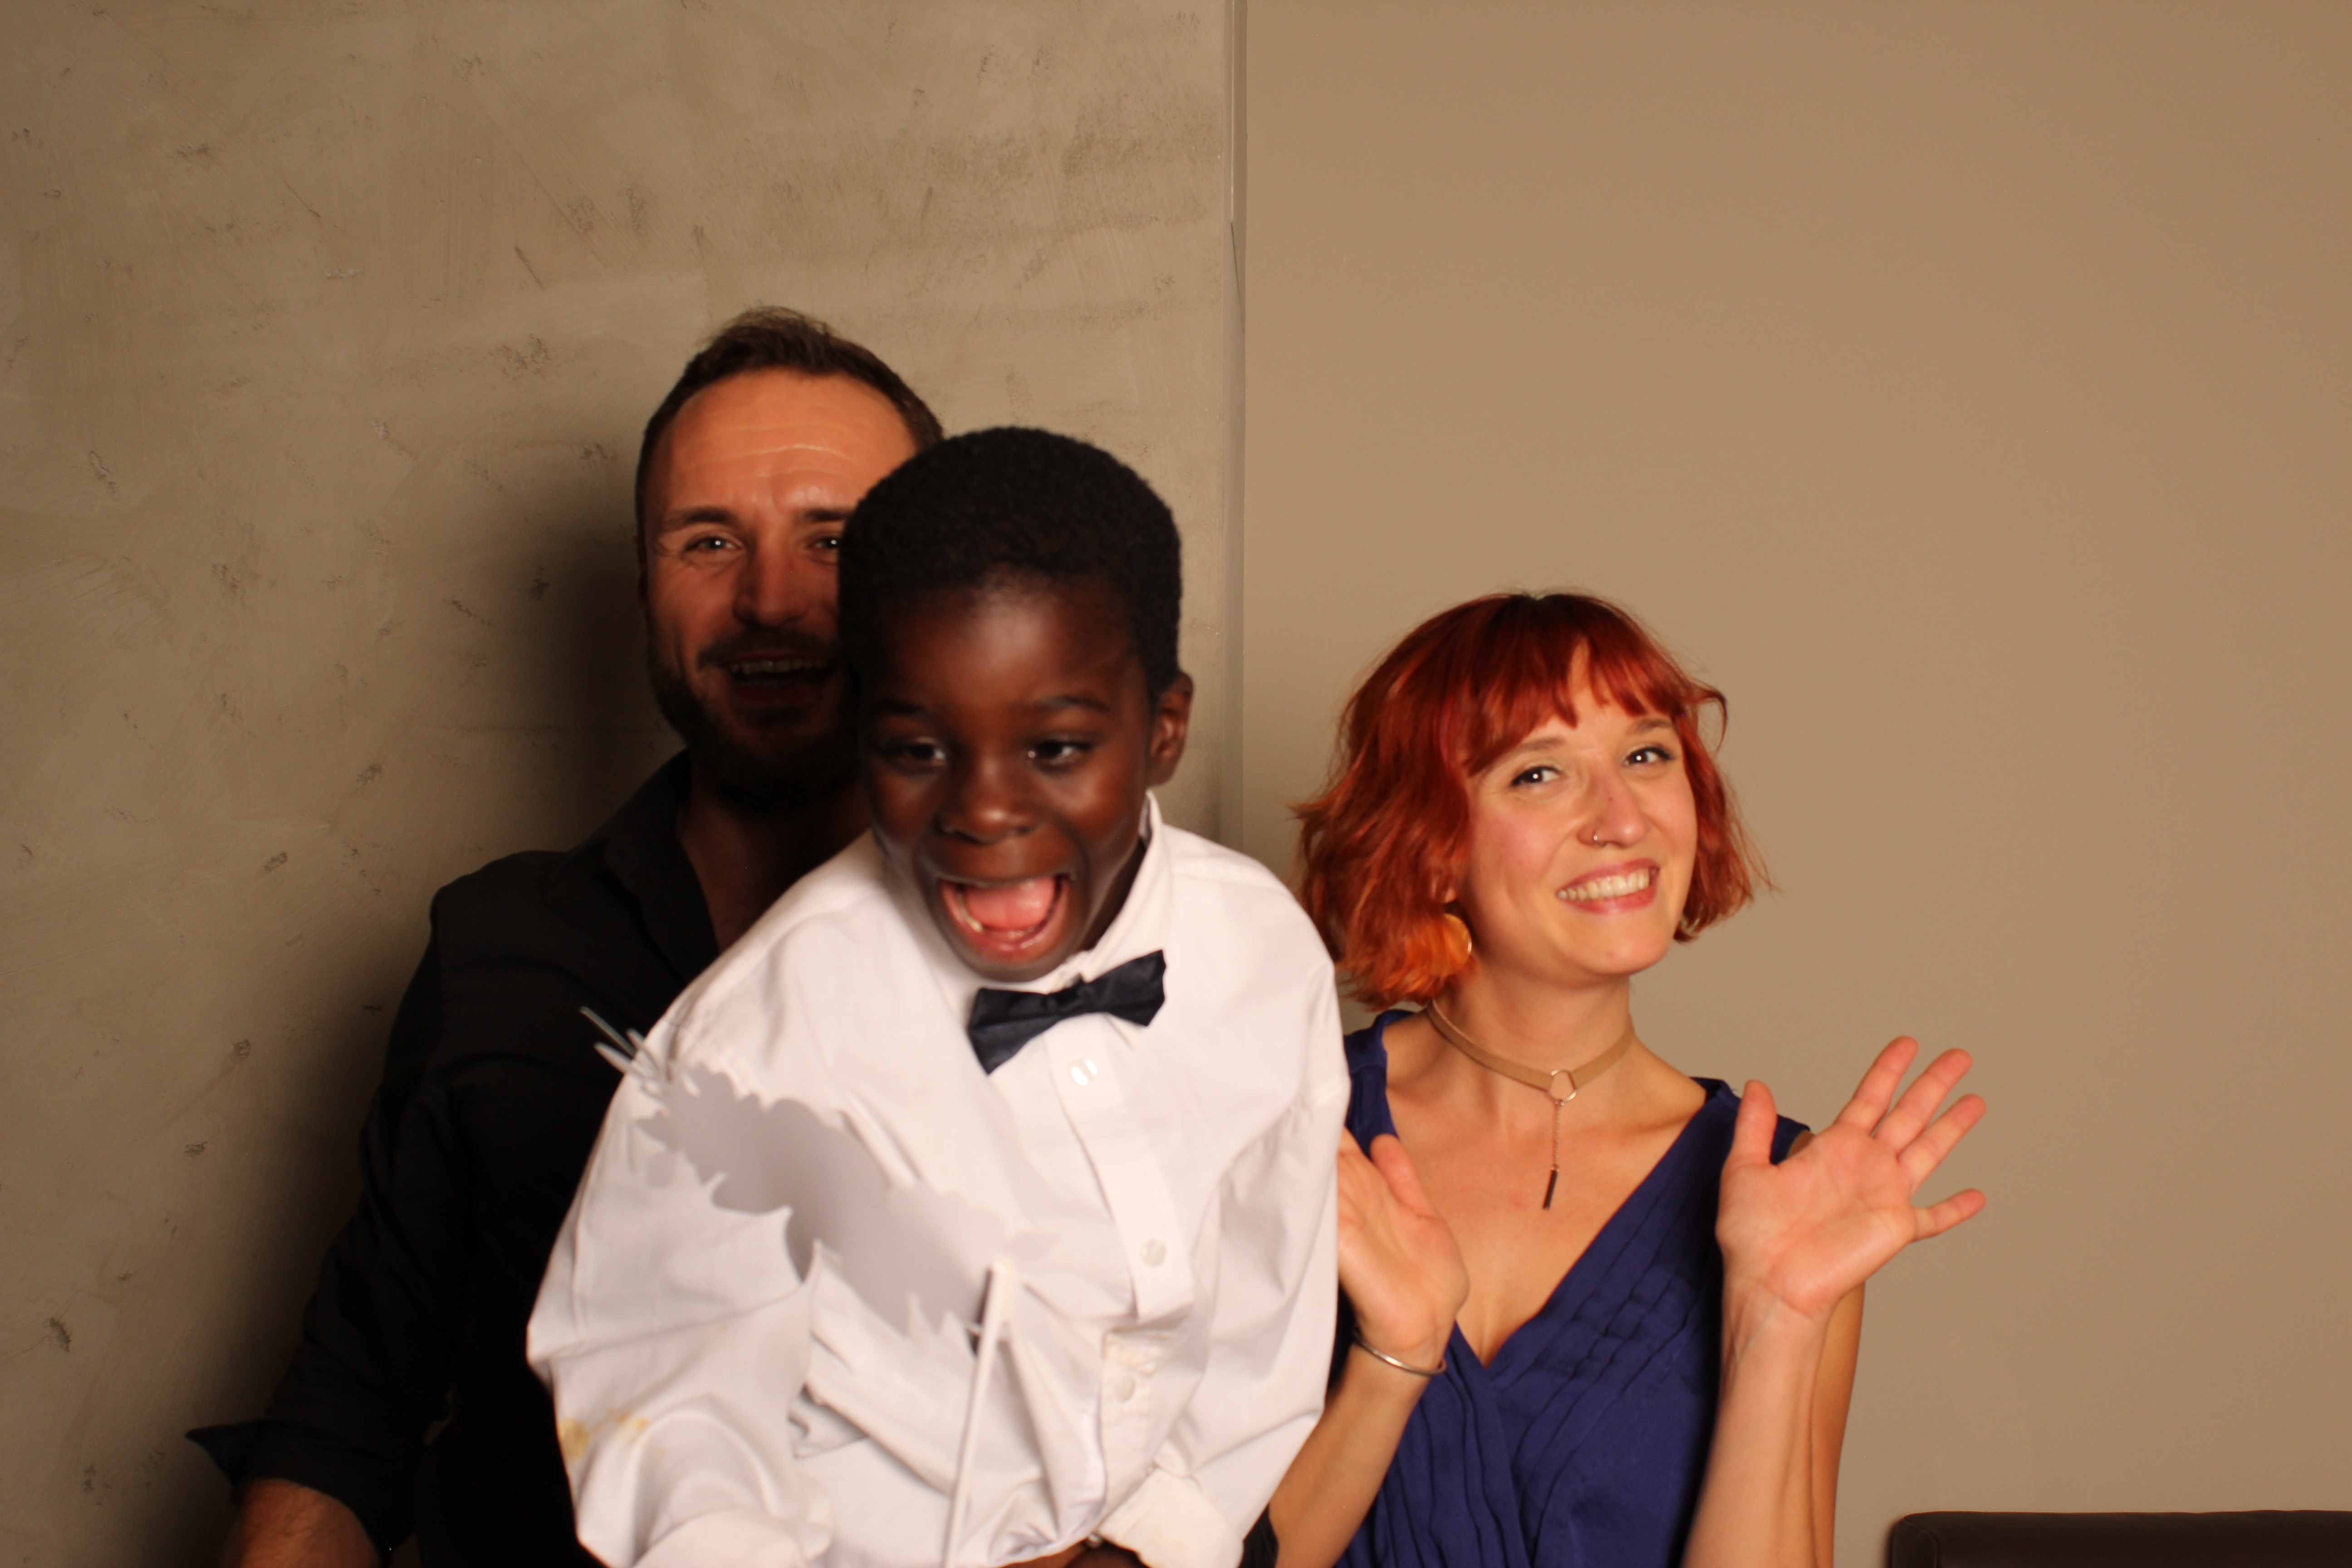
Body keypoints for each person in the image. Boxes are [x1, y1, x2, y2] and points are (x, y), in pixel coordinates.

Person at [195, 309, 944, 1568]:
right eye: (710, 541)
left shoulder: (1061, 968)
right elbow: (347, 1420)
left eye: (836, 541)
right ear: (645, 585)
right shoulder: (498, 947)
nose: (771, 598)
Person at [529, 429, 1348, 1568]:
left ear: (1164, 728)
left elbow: (1265, 1306)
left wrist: (1162, 1539)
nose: (985, 811)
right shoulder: (754, 1036)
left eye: (1055, 747)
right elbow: (665, 1395)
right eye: (918, 750)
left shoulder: (1260, 951)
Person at [1263, 592, 1986, 1568]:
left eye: (1648, 756)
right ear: (1427, 844)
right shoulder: (1276, 1130)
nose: (1623, 818)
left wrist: (1777, 1321)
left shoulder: (1792, 1196)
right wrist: (1390, 1358)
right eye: (1538, 773)